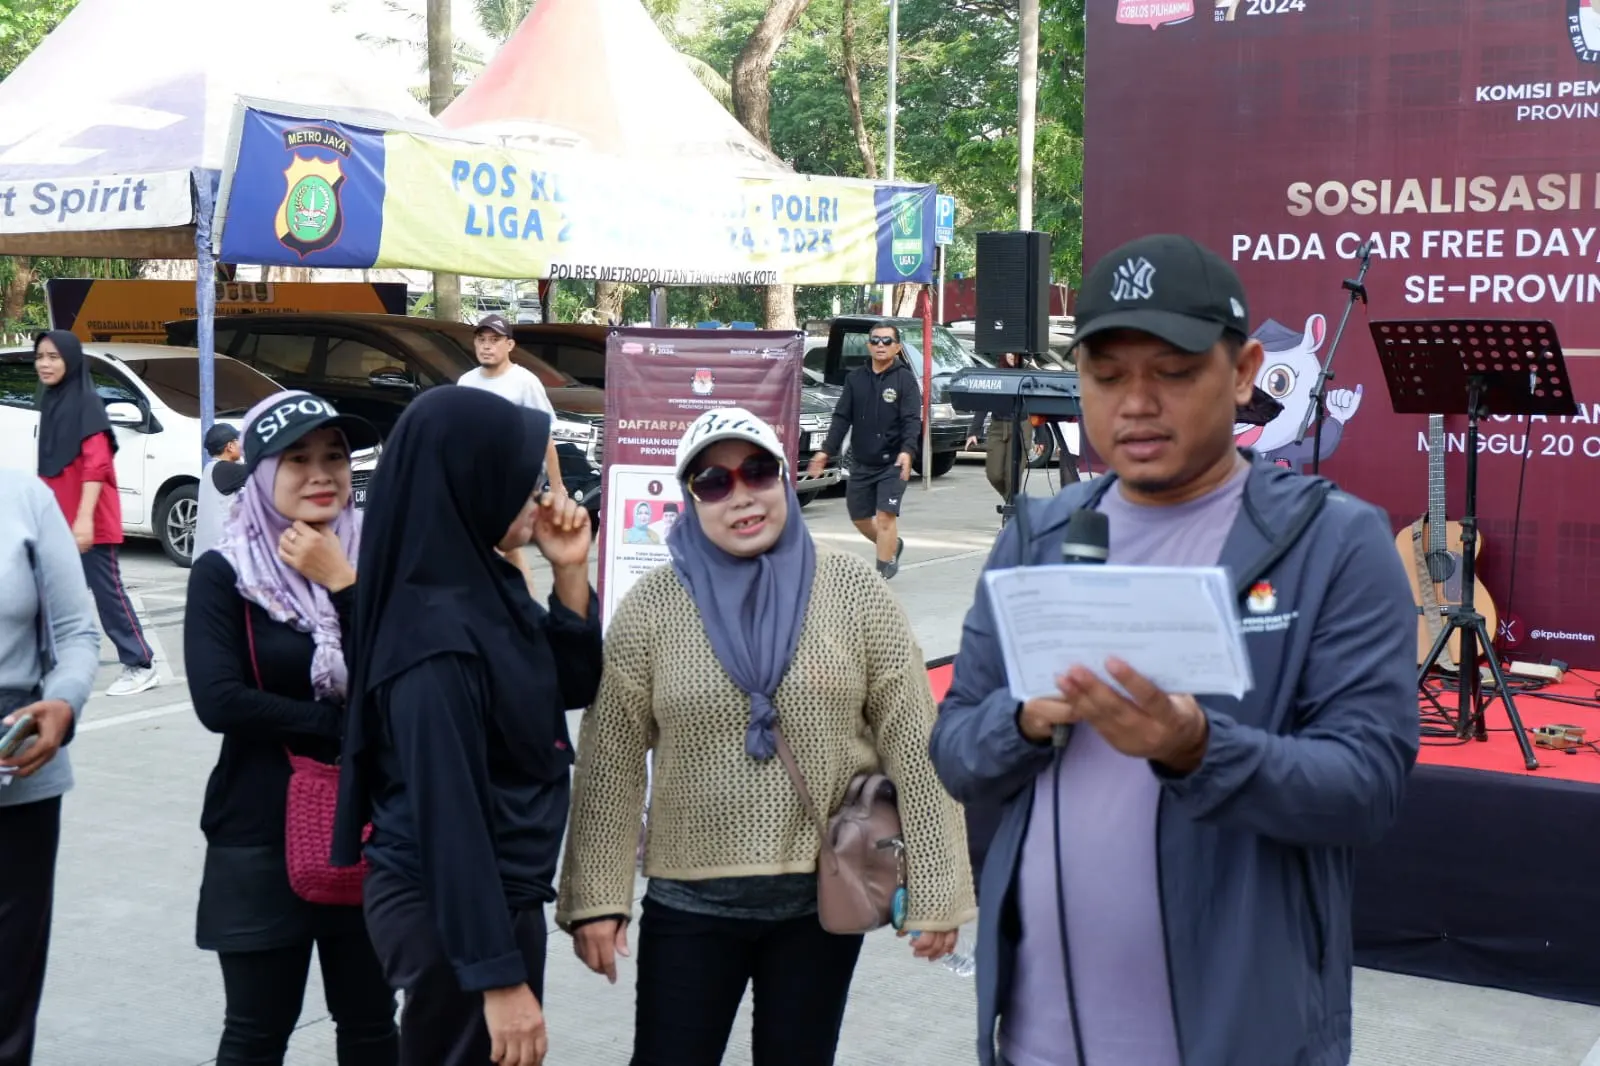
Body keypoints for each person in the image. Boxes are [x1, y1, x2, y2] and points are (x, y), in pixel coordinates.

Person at [930, 234, 1418, 1066]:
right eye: (1107, 376)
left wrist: (1197, 750)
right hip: (1036, 1043)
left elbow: (1366, 789)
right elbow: (956, 751)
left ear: (1243, 371)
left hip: (1238, 1040)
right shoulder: (1040, 535)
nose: (1136, 404)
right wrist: (1024, 721)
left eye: (1174, 371)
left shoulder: (1334, 541)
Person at [559, 407, 974, 1066]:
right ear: (691, 499)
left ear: (784, 477)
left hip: (819, 905)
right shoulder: (654, 607)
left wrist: (937, 883)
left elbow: (914, 741)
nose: (741, 496)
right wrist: (597, 900)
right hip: (690, 904)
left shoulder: (853, 590)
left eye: (756, 471)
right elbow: (610, 761)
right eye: (714, 483)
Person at [332, 387, 601, 1066]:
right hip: (448, 908)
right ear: (469, 476)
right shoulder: (433, 640)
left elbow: (564, 686)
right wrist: (496, 976)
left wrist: (570, 573)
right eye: (523, 475)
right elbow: (448, 816)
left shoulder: (477, 584)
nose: (541, 492)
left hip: (488, 897)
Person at [183, 392, 396, 1066]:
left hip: (369, 826)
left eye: (334, 456)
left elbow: (395, 685)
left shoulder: (374, 565)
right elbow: (220, 701)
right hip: (256, 835)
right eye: (297, 458)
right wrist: (334, 723)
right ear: (262, 470)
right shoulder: (225, 573)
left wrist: (342, 585)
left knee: (369, 1023)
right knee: (256, 1029)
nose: (321, 473)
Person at [0, 470, 101, 1064]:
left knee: (8, 995)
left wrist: (63, 703)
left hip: (20, 777)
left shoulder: (23, 497)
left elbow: (77, 632)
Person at [33, 330, 158, 697]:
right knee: (48, 593)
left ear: (70, 360)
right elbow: (51, 470)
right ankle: (45, 666)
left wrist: (84, 520)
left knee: (108, 593)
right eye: (41, 356)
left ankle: (140, 663)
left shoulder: (87, 403)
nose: (45, 363)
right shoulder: (53, 402)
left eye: (54, 357)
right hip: (60, 520)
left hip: (88, 521)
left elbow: (97, 464)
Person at [806, 322, 921, 580]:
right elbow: (841, 418)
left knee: (884, 516)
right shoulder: (855, 379)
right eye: (876, 340)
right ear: (869, 345)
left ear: (898, 347)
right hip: (861, 461)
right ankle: (893, 545)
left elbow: (912, 420)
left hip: (893, 462)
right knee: (859, 517)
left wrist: (907, 450)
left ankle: (882, 569)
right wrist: (826, 451)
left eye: (887, 341)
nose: (881, 345)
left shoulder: (905, 380)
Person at [458, 313, 566, 500]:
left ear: (510, 345)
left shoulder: (525, 382)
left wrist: (557, 489)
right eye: (481, 339)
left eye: (495, 340)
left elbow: (544, 438)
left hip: (517, 486)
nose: (486, 346)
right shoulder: (466, 382)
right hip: (475, 484)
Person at [965, 352, 1039, 504]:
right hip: (998, 426)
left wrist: (1041, 437)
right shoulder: (996, 373)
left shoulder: (1028, 373)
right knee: (994, 474)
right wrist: (974, 431)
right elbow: (984, 402)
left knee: (1013, 476)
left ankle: (1011, 511)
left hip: (1021, 426)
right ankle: (1014, 504)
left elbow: (1037, 405)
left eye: (1015, 352)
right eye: (1008, 352)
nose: (1012, 356)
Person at [194, 421, 245, 561]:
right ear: (230, 446)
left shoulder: (211, 468)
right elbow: (261, 470)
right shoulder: (225, 470)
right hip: (221, 557)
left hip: (208, 556)